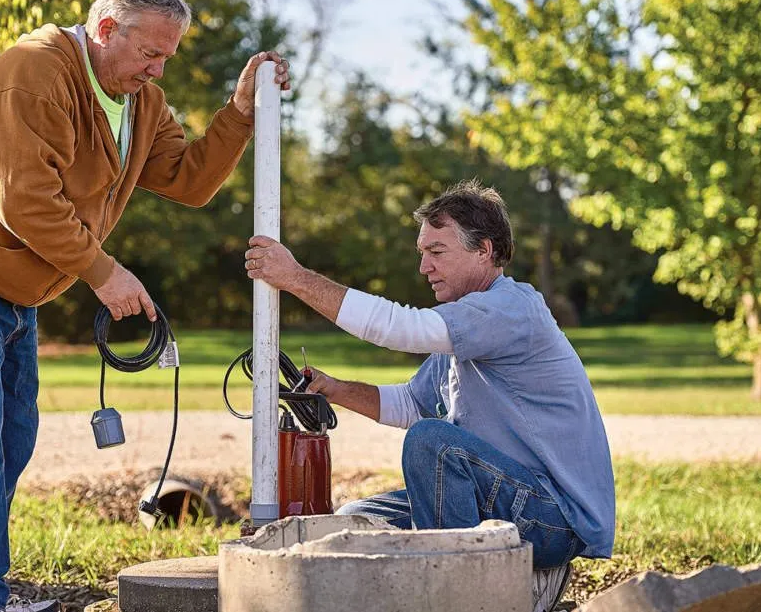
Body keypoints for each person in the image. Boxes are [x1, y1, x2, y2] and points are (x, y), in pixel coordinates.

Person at [0, 0, 290, 612]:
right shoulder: (35, 70)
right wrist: (104, 272)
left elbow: (188, 180)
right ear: (105, 29)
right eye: (150, 53)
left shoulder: (141, 104)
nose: (157, 69)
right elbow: (22, 197)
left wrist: (238, 114)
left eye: (167, 56)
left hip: (11, 283)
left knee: (11, 437)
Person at [245, 180, 615, 612]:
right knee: (352, 521)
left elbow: (403, 329)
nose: (424, 266)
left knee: (431, 443)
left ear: (485, 251)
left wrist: (295, 278)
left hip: (552, 519)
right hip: (501, 501)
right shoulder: (463, 329)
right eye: (422, 253)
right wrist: (335, 389)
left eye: (436, 252)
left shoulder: (511, 308)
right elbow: (410, 404)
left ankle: (474, 598)